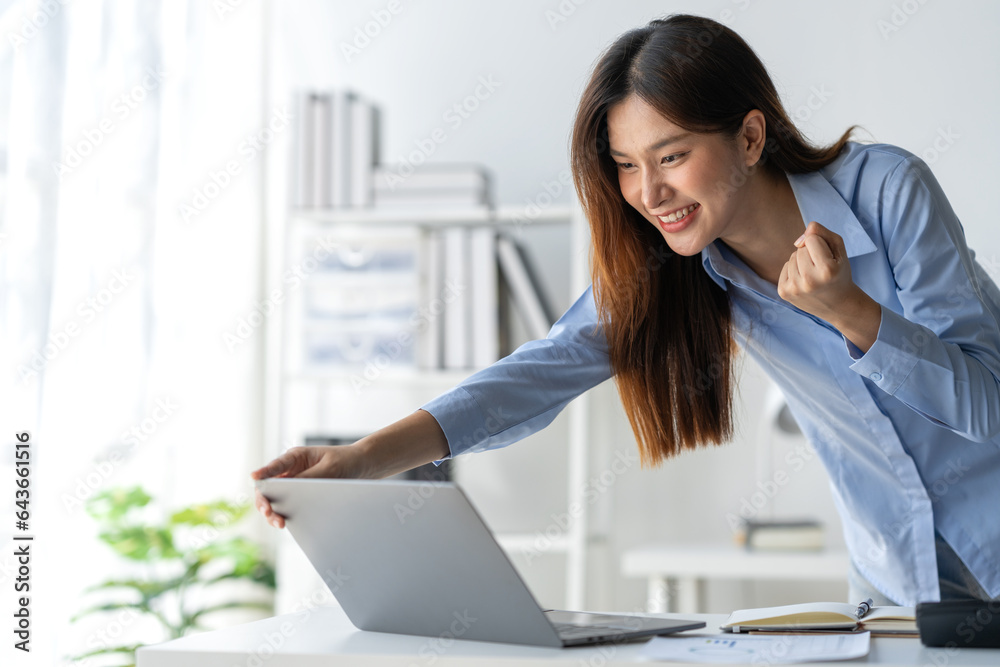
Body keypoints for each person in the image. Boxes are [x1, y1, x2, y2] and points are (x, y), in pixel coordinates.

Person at [253, 14, 1000, 607]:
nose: (648, 193)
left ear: (748, 135)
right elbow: (539, 372)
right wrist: (359, 461)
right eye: (626, 165)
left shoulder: (889, 189)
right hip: (898, 584)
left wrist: (852, 313)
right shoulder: (677, 264)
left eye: (671, 156)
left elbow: (987, 404)